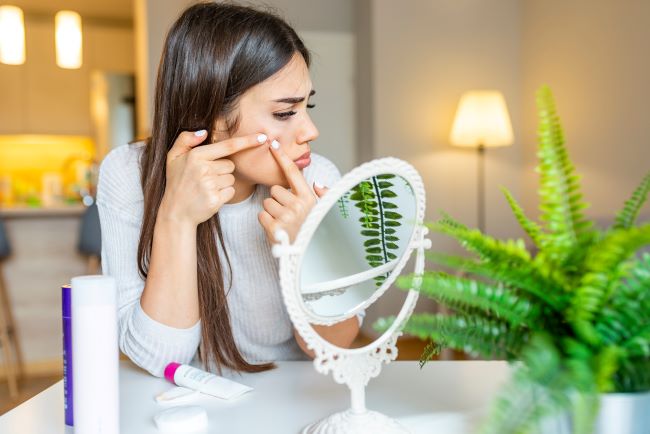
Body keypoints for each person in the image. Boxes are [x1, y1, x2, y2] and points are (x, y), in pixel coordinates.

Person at [97, 2, 360, 377]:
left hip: (292, 394)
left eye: (307, 106)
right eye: (285, 113)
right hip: (184, 401)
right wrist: (177, 216)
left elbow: (336, 344)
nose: (310, 131)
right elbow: (160, 359)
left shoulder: (317, 178)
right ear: (212, 117)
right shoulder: (128, 174)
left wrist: (306, 252)